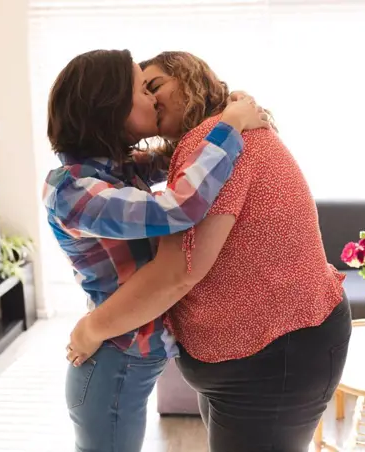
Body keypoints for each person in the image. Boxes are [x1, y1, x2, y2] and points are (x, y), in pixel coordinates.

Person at [67, 51, 352, 452]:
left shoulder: (213, 140)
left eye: (155, 86)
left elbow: (178, 271)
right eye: (140, 93)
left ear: (188, 77)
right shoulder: (211, 140)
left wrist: (91, 328)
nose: (149, 100)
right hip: (265, 356)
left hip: (274, 355)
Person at [43, 48, 269, 452]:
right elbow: (180, 206)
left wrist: (225, 106)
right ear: (110, 105)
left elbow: (183, 158)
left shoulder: (116, 166)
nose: (151, 99)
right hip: (113, 361)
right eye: (142, 89)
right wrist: (230, 126)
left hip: (127, 355)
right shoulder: (74, 190)